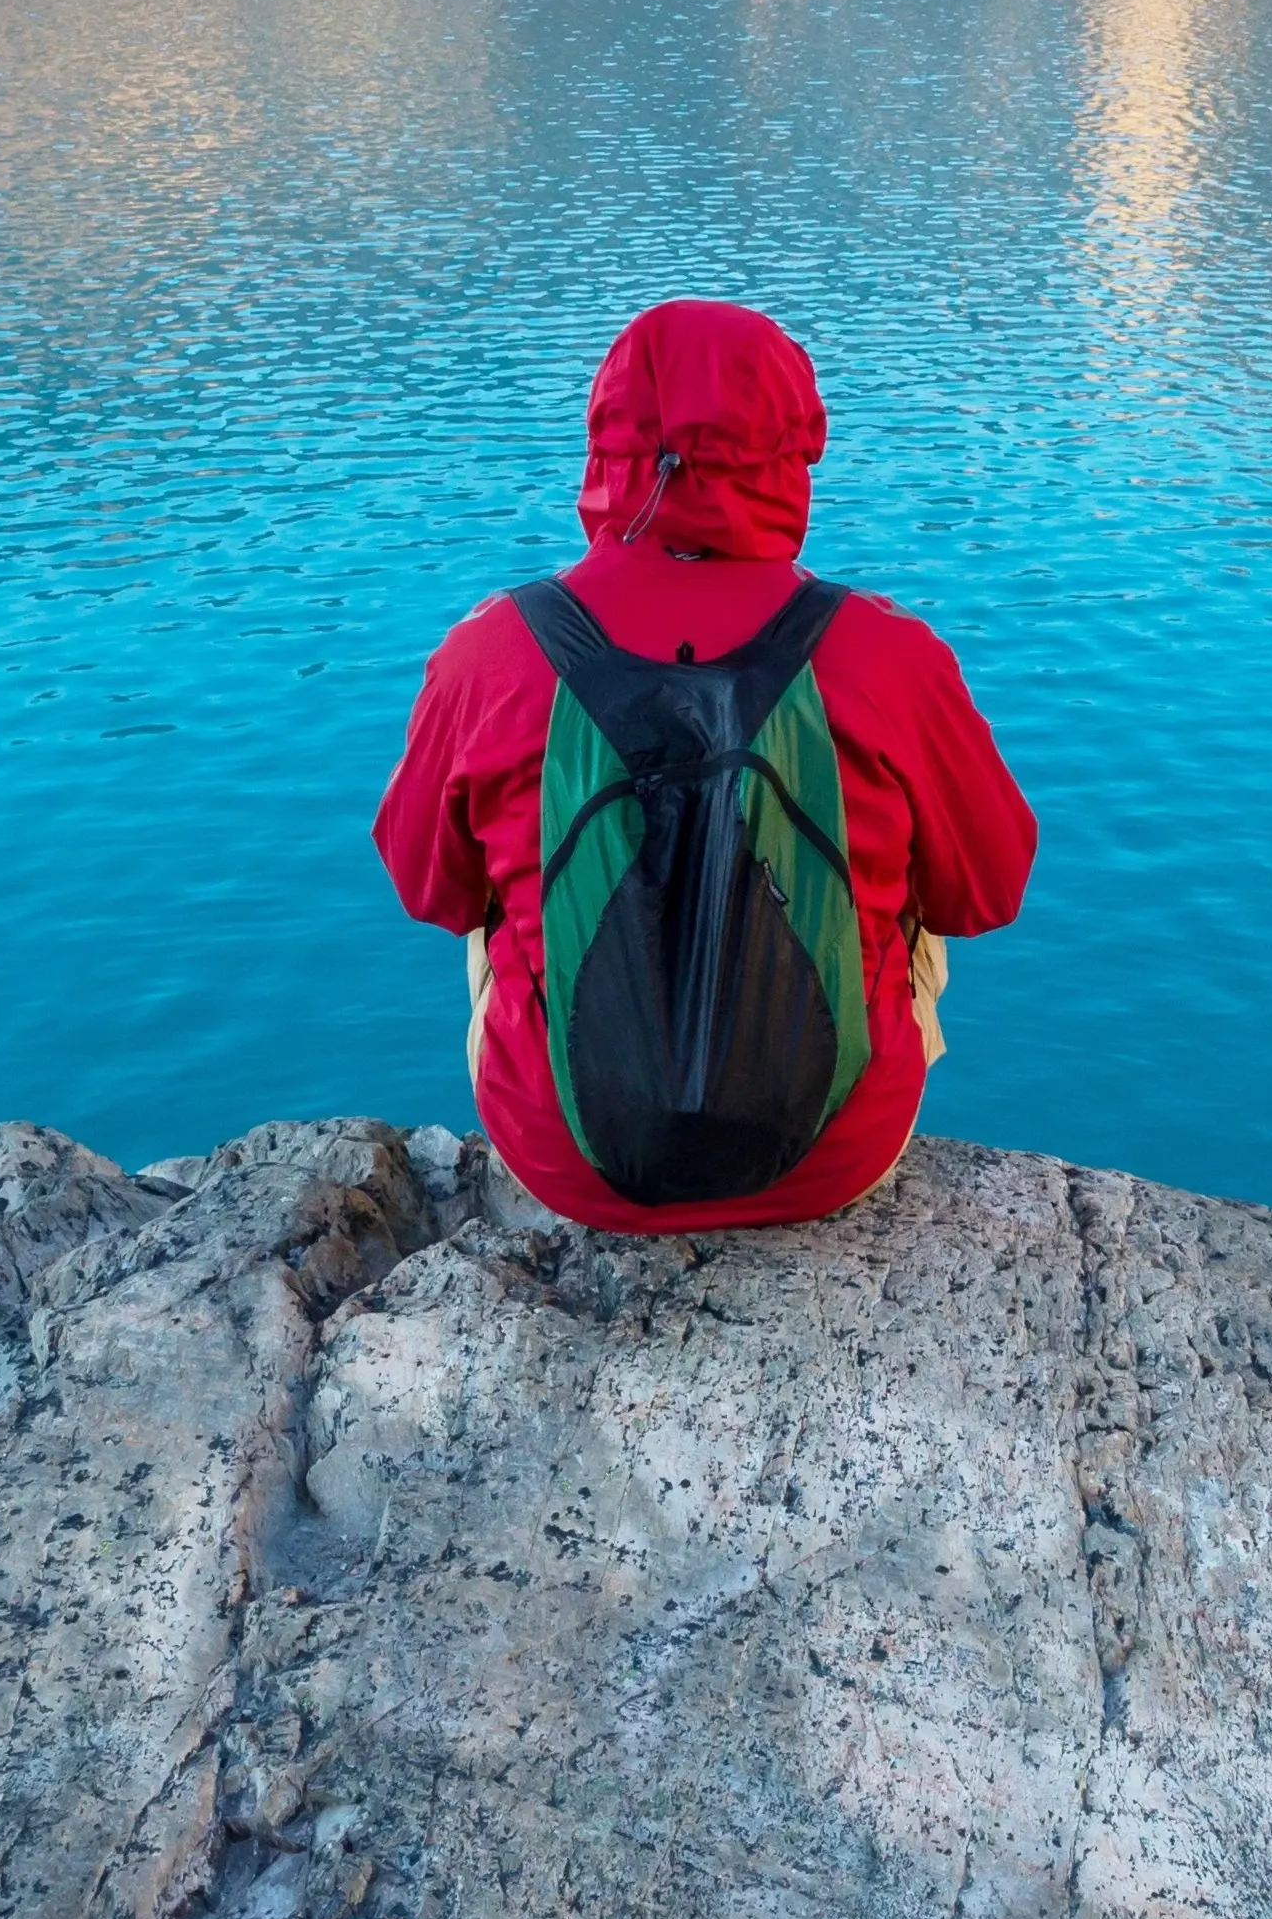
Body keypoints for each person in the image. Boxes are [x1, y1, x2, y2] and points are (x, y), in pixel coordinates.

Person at [374, 298, 1035, 1231]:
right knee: (909, 883)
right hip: (835, 1161)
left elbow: (428, 890)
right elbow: (986, 894)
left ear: (605, 450)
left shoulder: (490, 654)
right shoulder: (891, 654)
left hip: (567, 1167)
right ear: (794, 454)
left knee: (492, 893)